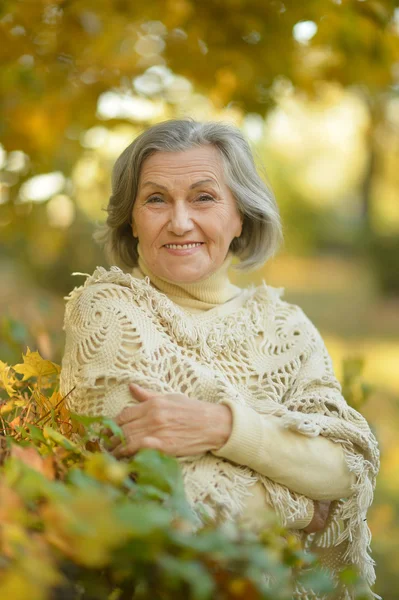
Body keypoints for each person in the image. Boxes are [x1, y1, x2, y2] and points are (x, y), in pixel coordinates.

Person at [60, 119, 380, 599]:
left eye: (203, 197)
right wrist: (303, 505)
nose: (180, 221)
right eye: (156, 199)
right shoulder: (107, 310)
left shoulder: (286, 327)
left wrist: (223, 428)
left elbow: (344, 468)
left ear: (241, 217)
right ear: (131, 219)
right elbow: (157, 497)